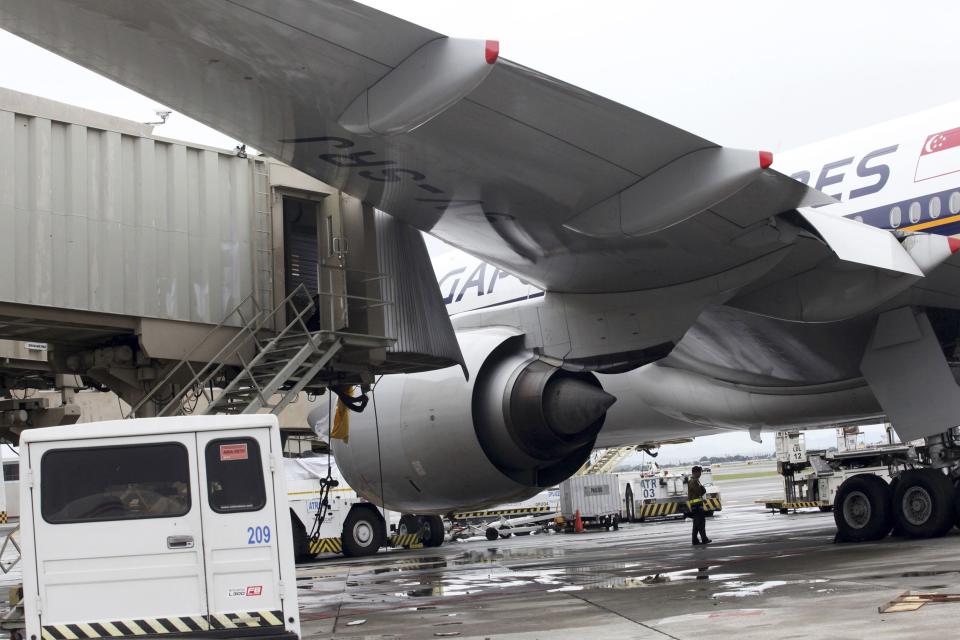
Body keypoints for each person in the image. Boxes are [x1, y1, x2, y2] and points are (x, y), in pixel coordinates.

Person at [688, 466, 711, 545]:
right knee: (700, 523)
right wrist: (701, 487)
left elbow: (702, 491)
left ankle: (695, 540)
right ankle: (703, 539)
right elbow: (700, 491)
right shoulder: (694, 481)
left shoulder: (695, 481)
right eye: (700, 472)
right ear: (695, 472)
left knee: (696, 524)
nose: (700, 474)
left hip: (697, 505)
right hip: (696, 505)